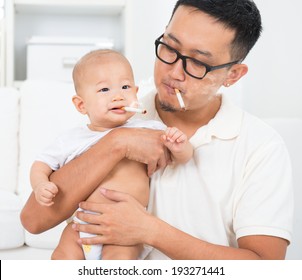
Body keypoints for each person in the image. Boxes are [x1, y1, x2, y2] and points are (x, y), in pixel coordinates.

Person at [21, 0, 294, 260]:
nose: (174, 72)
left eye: (198, 62)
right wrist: (119, 141)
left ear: (232, 75)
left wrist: (149, 231)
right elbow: (33, 220)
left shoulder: (260, 146)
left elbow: (266, 266)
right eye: (170, 47)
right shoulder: (115, 114)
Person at [29, 49, 193, 260]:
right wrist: (40, 185)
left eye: (125, 87)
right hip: (80, 226)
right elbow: (40, 164)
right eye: (104, 89)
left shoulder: (148, 129)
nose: (118, 95)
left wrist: (179, 144)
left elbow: (185, 157)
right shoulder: (72, 139)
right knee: (62, 258)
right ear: (81, 104)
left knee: (117, 264)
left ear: (135, 92)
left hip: (126, 230)